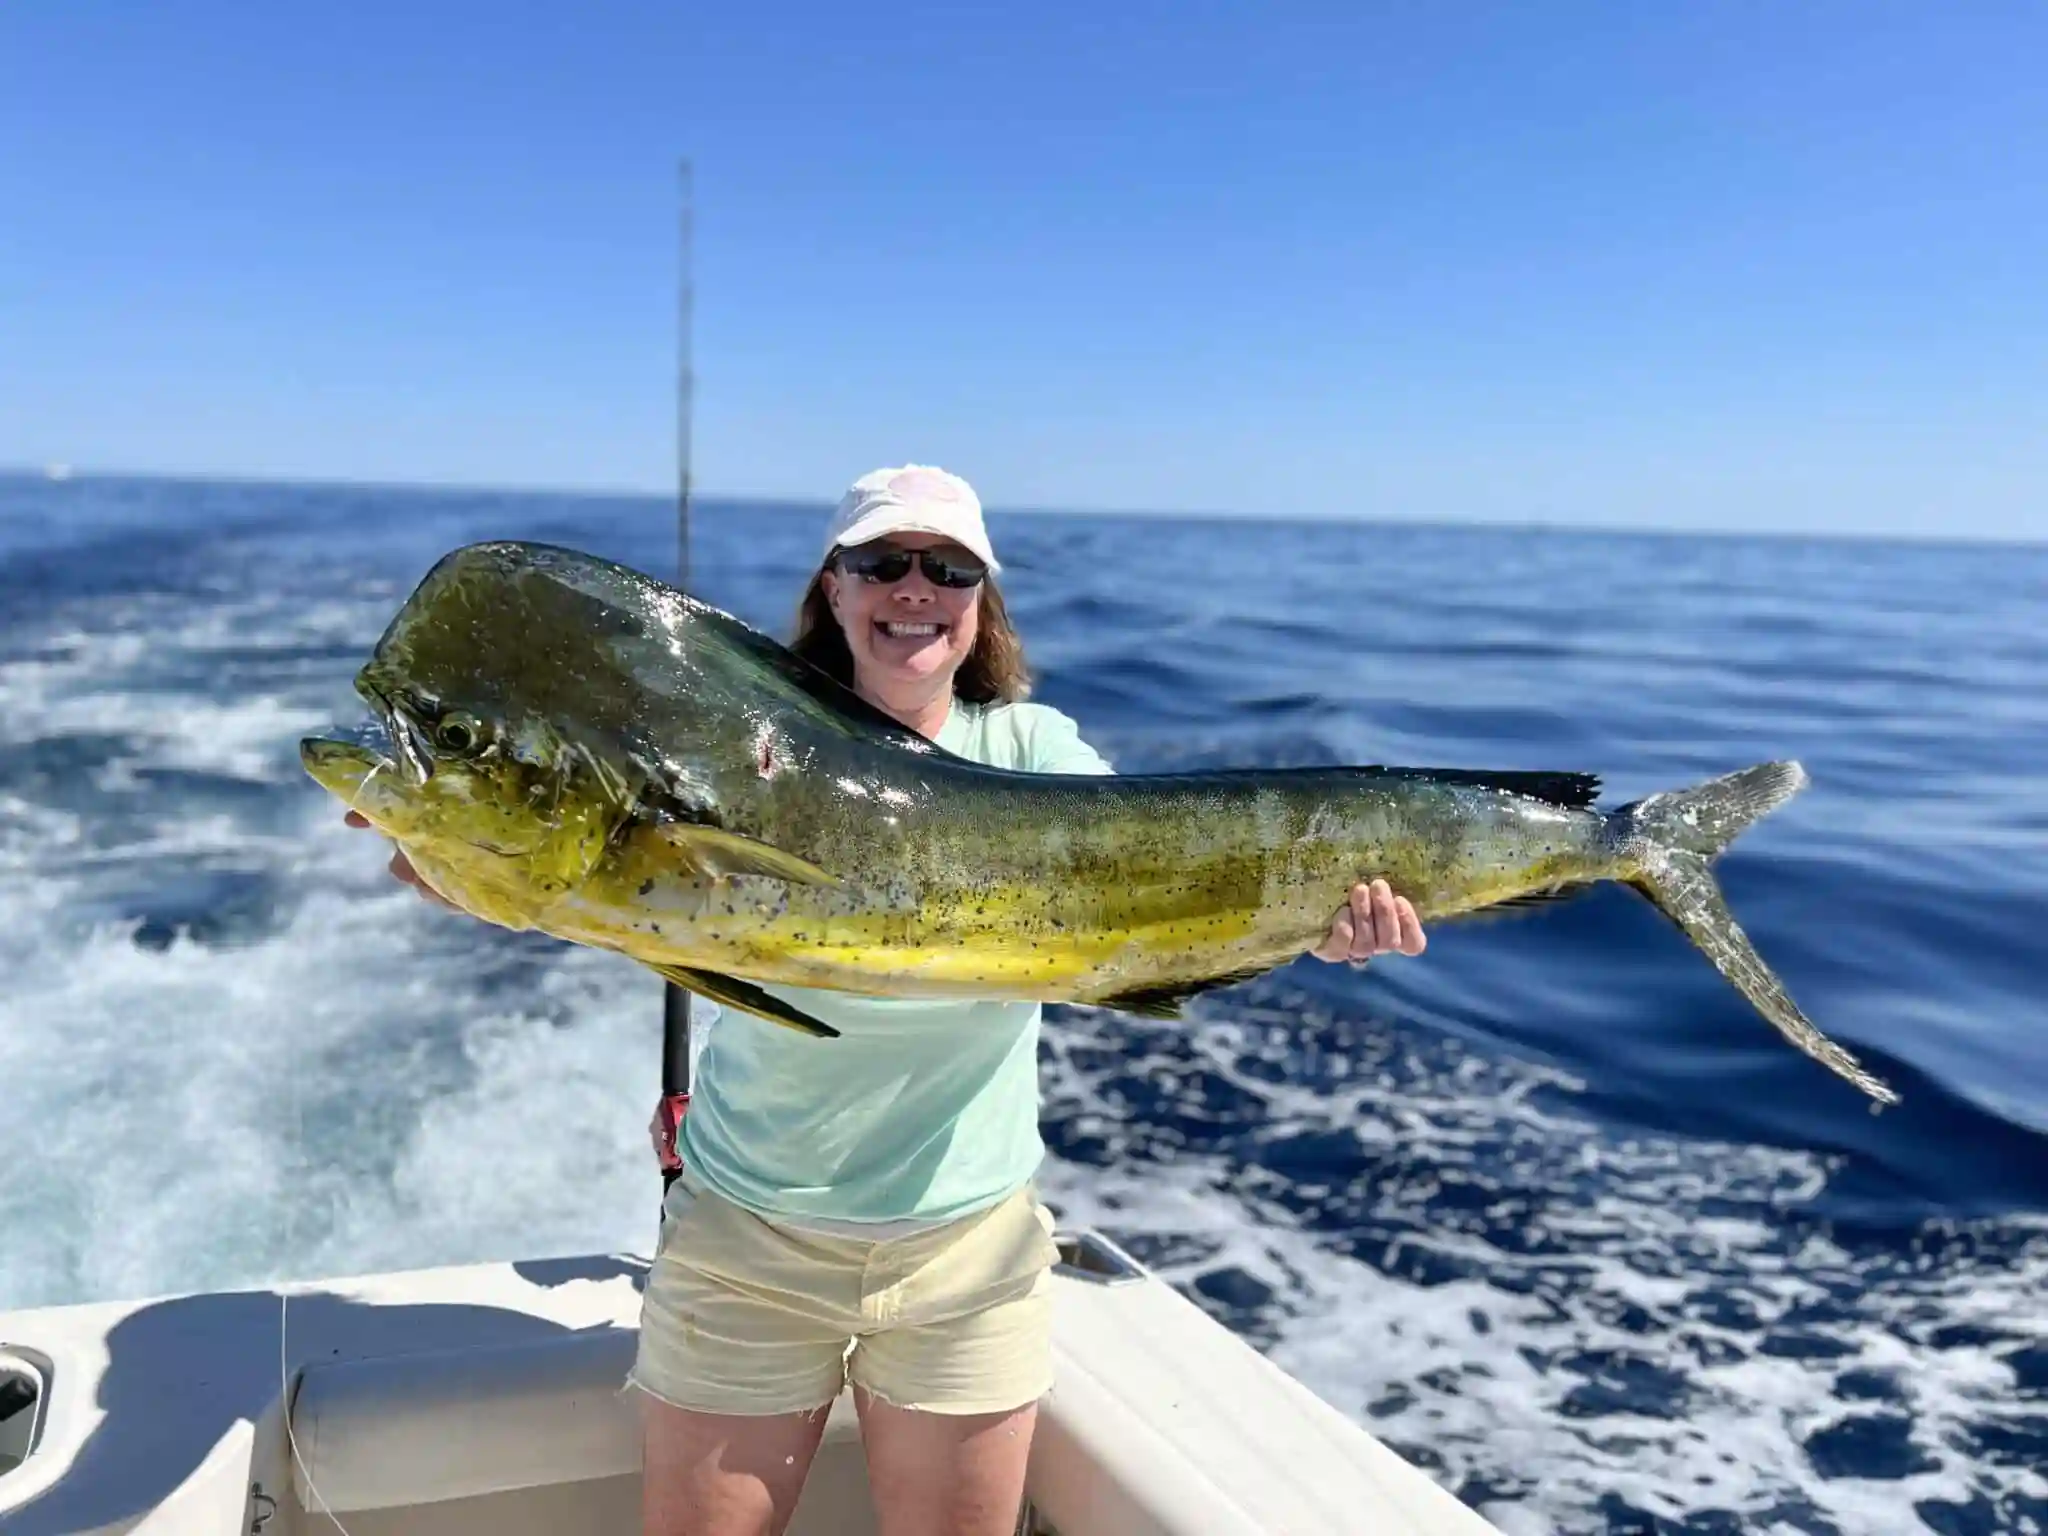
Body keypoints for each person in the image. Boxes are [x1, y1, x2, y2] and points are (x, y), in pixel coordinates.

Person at [349, 464, 1427, 1536]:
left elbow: (1149, 871)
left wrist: (1309, 918)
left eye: (947, 568)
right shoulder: (739, 749)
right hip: (745, 1239)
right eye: (881, 562)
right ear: (834, 588)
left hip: (965, 1252)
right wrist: (452, 859)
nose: (914, 587)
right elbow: (573, 885)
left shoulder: (1029, 751)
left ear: (978, 602)